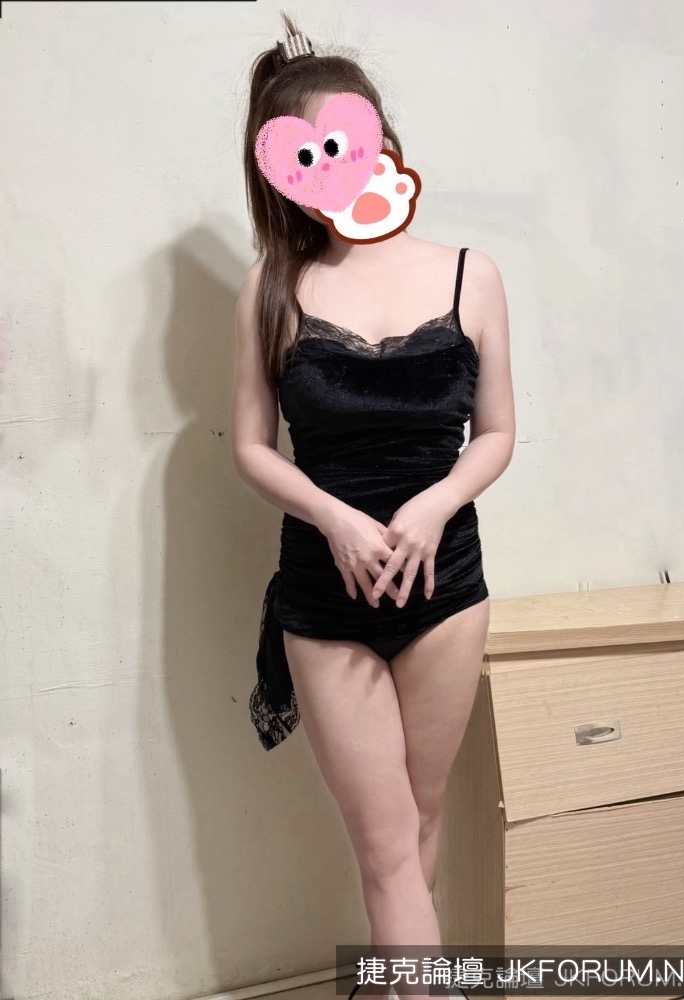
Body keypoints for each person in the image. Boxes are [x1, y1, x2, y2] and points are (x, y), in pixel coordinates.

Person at [231, 13, 516, 1000]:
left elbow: (497, 434)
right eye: (304, 151)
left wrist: (435, 504)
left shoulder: (470, 273)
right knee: (387, 841)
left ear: (379, 135)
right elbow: (249, 448)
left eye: (344, 138)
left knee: (419, 822)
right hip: (325, 594)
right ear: (280, 170)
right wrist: (336, 517)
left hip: (447, 586)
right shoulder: (270, 287)